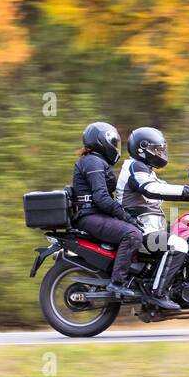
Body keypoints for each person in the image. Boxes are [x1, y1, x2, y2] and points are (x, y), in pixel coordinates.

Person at [116, 126, 189, 311]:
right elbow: (153, 189)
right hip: (142, 229)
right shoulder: (135, 168)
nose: (161, 153)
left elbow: (163, 186)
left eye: (162, 149)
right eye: (157, 149)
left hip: (148, 227)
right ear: (143, 149)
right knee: (179, 245)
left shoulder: (144, 169)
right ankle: (156, 294)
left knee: (188, 237)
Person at [71, 121, 141, 300]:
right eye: (114, 142)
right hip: (90, 216)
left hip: (95, 215)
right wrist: (126, 217)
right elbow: (101, 198)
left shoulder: (95, 161)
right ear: (102, 141)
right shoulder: (93, 162)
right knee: (132, 234)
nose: (116, 147)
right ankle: (117, 284)